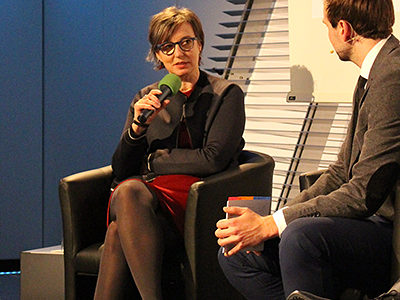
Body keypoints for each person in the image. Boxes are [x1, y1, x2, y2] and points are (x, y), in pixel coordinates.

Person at [215, 0, 400, 299]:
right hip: (368, 223)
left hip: (390, 233)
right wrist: (273, 220)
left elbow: (365, 192)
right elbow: (341, 172)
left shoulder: (393, 74)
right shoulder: (373, 73)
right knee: (236, 252)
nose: (327, 34)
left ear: (344, 29)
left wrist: (274, 223)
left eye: (326, 26)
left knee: (299, 238)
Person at [93, 6, 245, 300]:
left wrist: (153, 160)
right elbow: (121, 170)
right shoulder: (146, 97)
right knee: (127, 196)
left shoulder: (225, 94)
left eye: (187, 42)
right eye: (168, 47)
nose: (179, 53)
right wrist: (138, 129)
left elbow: (212, 159)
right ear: (158, 56)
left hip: (200, 202)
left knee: (120, 222)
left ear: (200, 44)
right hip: (147, 204)